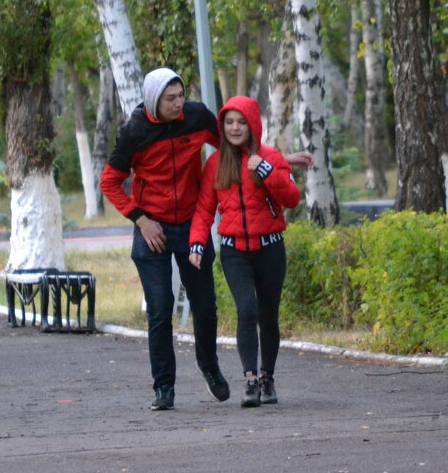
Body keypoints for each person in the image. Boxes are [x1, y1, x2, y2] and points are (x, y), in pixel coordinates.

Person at [100, 68, 229, 410]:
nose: (179, 103)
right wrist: (141, 220)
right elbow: (110, 182)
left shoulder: (198, 117)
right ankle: (164, 388)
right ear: (153, 100)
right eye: (170, 98)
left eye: (181, 95)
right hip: (151, 228)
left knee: (204, 305)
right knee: (160, 309)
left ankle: (210, 367)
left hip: (191, 224)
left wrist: (272, 165)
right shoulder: (135, 132)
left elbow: (231, 150)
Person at [188, 95, 300, 408]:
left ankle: (267, 377)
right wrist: (196, 243)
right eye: (229, 122)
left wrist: (265, 170)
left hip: (270, 250)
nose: (235, 128)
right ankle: (250, 380)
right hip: (234, 251)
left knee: (268, 315)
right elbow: (204, 209)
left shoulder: (271, 157)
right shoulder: (215, 164)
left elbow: (291, 198)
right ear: (222, 127)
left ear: (253, 125)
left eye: (241, 122)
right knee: (246, 310)